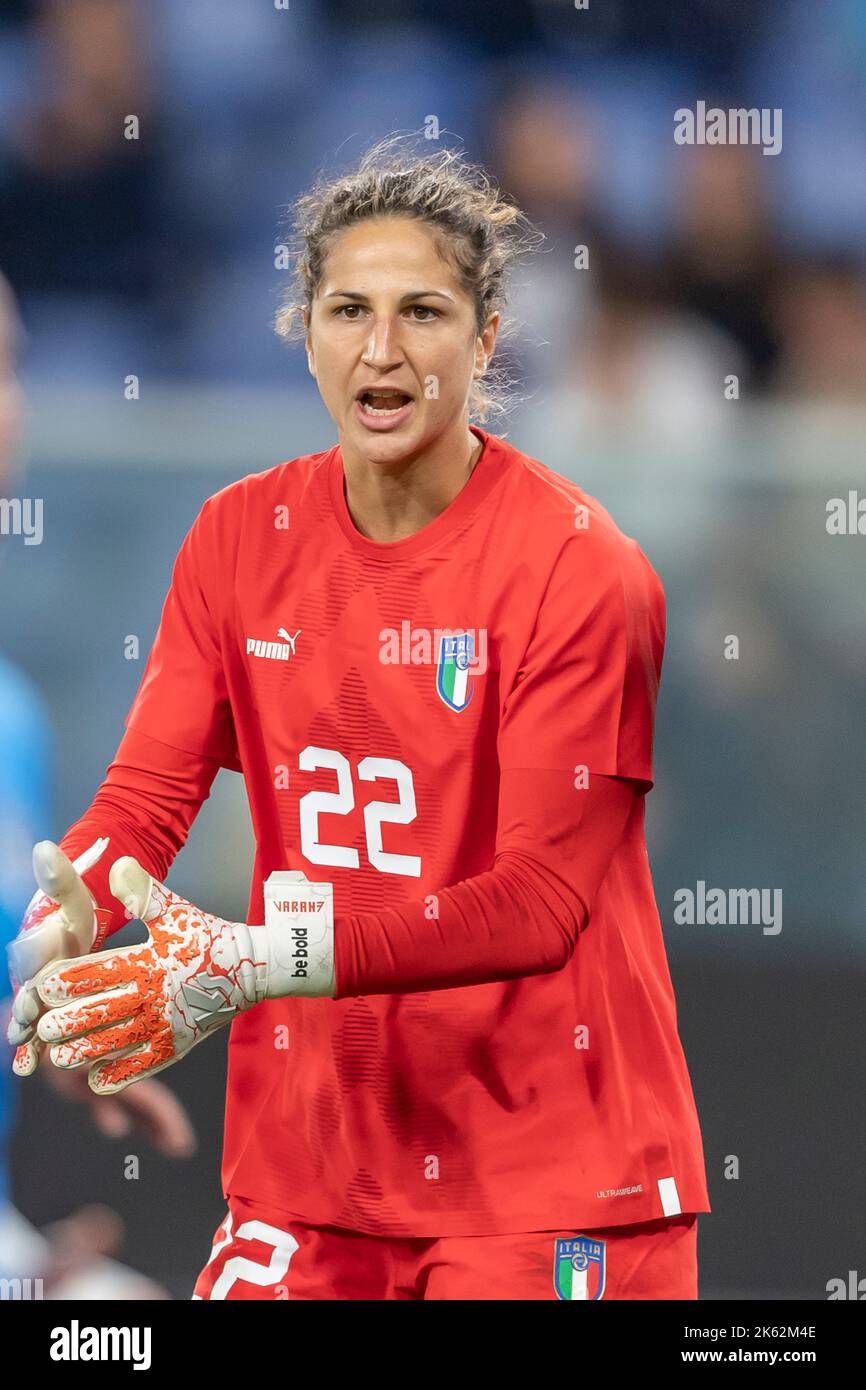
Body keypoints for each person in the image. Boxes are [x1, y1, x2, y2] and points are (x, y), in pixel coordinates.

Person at [7, 137, 711, 1300]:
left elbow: (537, 905)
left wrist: (255, 961)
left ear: (485, 338)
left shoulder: (579, 572)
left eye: (422, 311)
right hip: (310, 1170)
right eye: (346, 310)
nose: (380, 350)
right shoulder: (236, 538)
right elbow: (142, 804)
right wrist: (57, 927)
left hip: (551, 1183)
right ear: (305, 331)